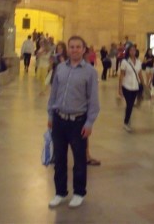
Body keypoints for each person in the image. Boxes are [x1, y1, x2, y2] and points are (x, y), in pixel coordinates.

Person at [47, 36, 100, 208]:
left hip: (78, 121)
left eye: (78, 47)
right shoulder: (61, 68)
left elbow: (93, 100)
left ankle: (79, 192)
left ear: (84, 49)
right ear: (67, 49)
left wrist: (90, 122)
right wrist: (50, 116)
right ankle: (60, 192)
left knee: (79, 159)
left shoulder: (90, 72)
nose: (74, 50)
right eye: (71, 47)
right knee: (60, 159)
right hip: (59, 119)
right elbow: (53, 94)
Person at [118, 44, 145, 132]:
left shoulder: (138, 62)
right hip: (126, 86)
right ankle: (126, 122)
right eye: (131, 50)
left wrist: (144, 84)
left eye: (134, 50)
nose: (133, 52)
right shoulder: (124, 62)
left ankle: (128, 117)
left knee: (131, 105)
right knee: (129, 104)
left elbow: (140, 74)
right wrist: (120, 88)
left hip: (135, 86)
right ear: (128, 52)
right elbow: (121, 75)